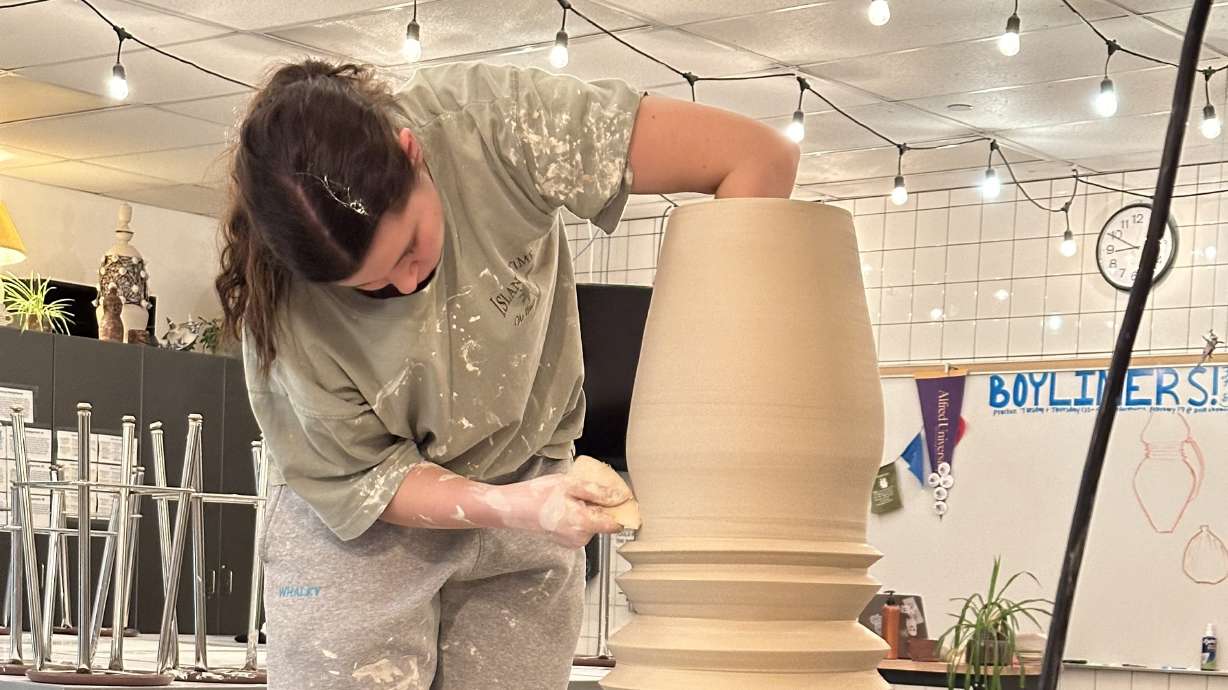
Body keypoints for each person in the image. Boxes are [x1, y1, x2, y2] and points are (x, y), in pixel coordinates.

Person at [215, 58, 798, 689]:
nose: (408, 282)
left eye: (410, 246)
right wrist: (508, 506)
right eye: (371, 286)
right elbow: (366, 481)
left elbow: (756, 158)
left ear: (413, 153)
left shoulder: (496, 127)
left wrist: (711, 394)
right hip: (365, 528)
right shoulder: (283, 309)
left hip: (531, 483)